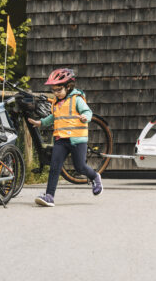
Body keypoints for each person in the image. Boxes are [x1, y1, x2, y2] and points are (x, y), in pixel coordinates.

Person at [28, 68, 103, 207]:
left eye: (58, 89)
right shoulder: (56, 102)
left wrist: (85, 116)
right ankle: (49, 196)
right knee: (55, 167)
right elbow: (54, 117)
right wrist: (41, 123)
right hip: (61, 139)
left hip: (77, 140)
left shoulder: (77, 100)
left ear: (68, 87)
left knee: (80, 167)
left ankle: (94, 176)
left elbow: (88, 111)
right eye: (53, 90)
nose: (55, 93)